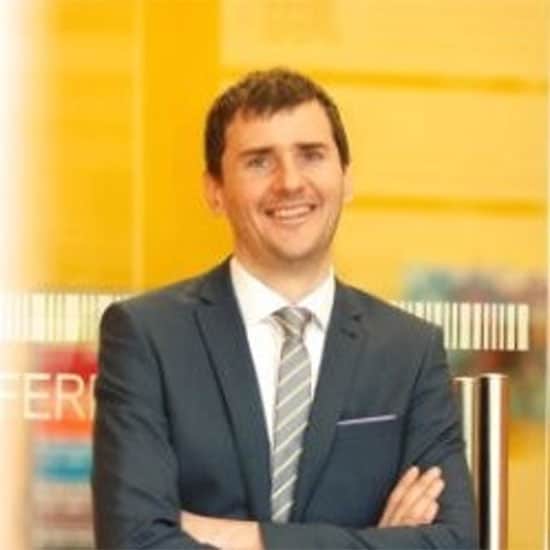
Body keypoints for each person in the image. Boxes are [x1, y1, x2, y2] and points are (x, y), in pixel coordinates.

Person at [92, 68, 477, 549]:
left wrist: (247, 538)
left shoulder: (409, 350)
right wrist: (372, 542)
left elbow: (453, 542)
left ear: (346, 177)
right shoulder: (148, 337)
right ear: (215, 190)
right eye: (259, 162)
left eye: (311, 155)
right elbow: (134, 541)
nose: (290, 182)